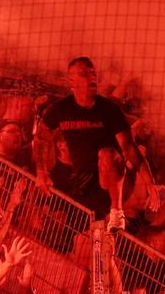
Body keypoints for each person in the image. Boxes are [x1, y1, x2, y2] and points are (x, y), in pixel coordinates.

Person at [34, 57, 138, 231]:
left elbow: (126, 144)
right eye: (84, 73)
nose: (91, 77)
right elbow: (40, 138)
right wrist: (40, 172)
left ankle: (115, 212)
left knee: (107, 155)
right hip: (89, 200)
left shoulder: (106, 110)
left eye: (92, 73)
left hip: (112, 181)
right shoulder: (61, 174)